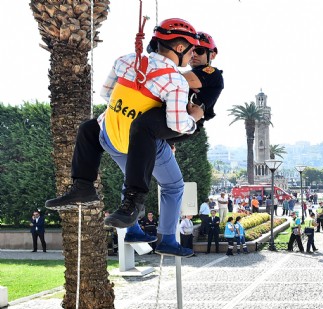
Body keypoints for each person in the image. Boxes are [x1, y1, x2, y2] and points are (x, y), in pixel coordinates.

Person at [44, 18, 203, 257]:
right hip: (141, 143)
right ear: (180, 48)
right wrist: (195, 118)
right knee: (173, 186)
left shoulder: (126, 60)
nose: (192, 56)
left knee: (90, 130)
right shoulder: (175, 80)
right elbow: (177, 124)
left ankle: (85, 188)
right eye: (192, 51)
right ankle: (166, 240)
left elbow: (107, 94)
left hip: (110, 137)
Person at [103, 30, 223, 228]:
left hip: (181, 122)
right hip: (165, 119)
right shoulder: (176, 73)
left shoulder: (211, 73)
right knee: (137, 159)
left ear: (213, 55)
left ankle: (139, 214)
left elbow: (176, 79)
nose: (194, 54)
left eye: (199, 50)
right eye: (192, 50)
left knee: (143, 141)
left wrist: (157, 58)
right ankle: (131, 217)